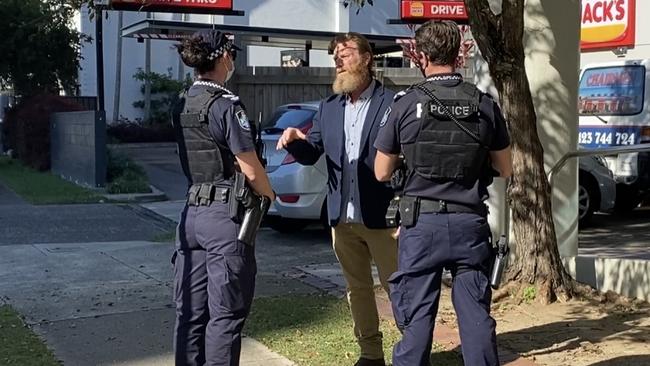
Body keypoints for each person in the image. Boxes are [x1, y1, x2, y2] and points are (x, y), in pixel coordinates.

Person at [373, 20, 513, 366]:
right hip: (469, 224)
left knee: (417, 320)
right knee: (476, 318)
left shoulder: (405, 104)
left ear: (420, 55)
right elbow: (506, 168)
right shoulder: (483, 105)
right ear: (460, 53)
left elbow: (381, 171)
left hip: (421, 226)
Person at [276, 33, 398, 366]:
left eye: (345, 54)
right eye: (335, 57)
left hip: (383, 217)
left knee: (398, 288)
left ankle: (413, 351)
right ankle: (370, 354)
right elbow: (311, 152)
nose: (338, 61)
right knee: (357, 289)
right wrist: (292, 140)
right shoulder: (329, 108)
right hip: (341, 218)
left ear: (367, 58)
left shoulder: (392, 102)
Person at [171, 30, 275, 366]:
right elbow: (249, 165)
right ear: (223, 57)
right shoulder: (225, 105)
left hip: (191, 216)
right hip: (224, 217)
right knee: (225, 315)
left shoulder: (182, 102)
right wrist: (269, 193)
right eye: (232, 53)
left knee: (190, 312)